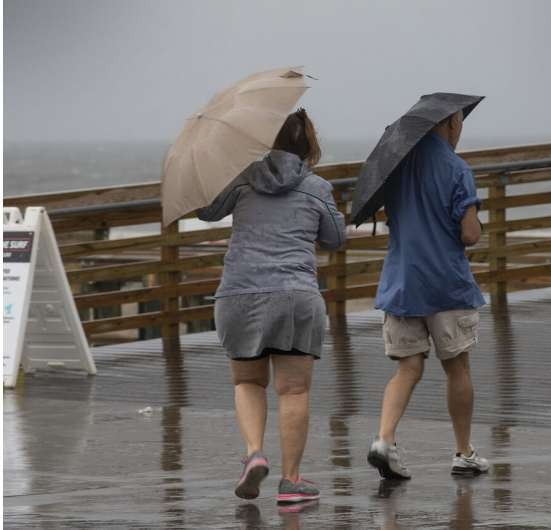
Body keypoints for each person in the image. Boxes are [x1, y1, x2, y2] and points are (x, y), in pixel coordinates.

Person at [197, 108, 346, 503]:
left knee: (248, 382)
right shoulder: (317, 187)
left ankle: (253, 455)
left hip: (239, 294)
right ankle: (291, 481)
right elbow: (334, 238)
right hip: (294, 296)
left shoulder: (245, 178)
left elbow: (206, 211)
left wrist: (224, 163)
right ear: (308, 144)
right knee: (293, 390)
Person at [367, 109, 490, 480]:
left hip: (401, 283)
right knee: (457, 367)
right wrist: (475, 222)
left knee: (408, 367)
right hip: (445, 284)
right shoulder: (456, 169)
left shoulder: (396, 168)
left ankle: (384, 441)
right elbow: (469, 234)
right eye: (460, 123)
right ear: (450, 123)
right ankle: (463, 451)